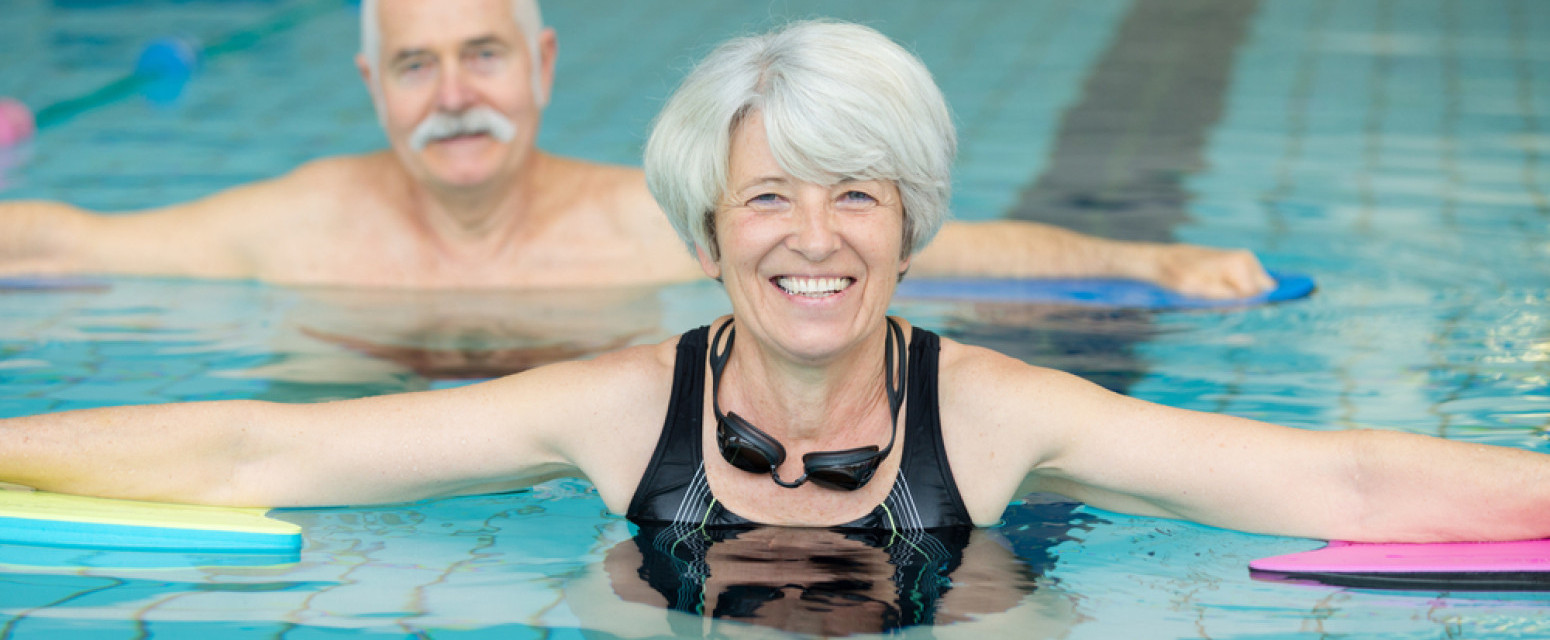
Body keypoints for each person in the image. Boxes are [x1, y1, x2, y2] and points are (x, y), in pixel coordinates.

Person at [3, 19, 1546, 633]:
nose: (811, 242)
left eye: (854, 200)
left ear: (909, 222)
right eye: (766, 205)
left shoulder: (998, 412)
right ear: (705, 232)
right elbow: (257, 444)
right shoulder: (612, 402)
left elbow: (1340, 486)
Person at [0, 0, 1273, 299]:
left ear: (543, 66)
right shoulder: (294, 220)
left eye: (484, 54)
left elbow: (957, 250)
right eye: (414, 64)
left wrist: (1158, 268)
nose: (454, 94)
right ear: (371, 88)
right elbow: (62, 239)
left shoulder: (645, 223)